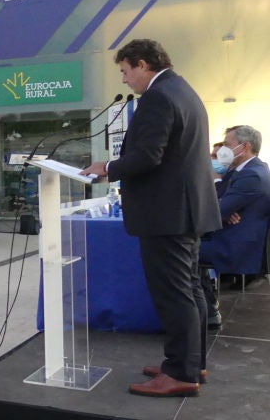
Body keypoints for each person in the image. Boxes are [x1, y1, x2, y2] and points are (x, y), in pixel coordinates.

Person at [80, 39, 219, 397]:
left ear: (142, 64)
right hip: (185, 210)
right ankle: (190, 362)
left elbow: (148, 156)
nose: (124, 79)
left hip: (167, 214)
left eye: (125, 71)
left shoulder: (158, 97)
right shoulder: (182, 90)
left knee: (175, 294)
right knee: (190, 289)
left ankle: (181, 373)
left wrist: (107, 167)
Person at [200, 125, 270, 322]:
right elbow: (216, 199)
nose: (223, 150)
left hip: (233, 245)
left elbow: (215, 209)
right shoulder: (244, 169)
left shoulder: (252, 175)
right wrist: (223, 210)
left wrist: (222, 210)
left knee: (177, 251)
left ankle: (202, 311)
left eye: (227, 145)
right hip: (227, 235)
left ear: (245, 146)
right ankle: (208, 308)